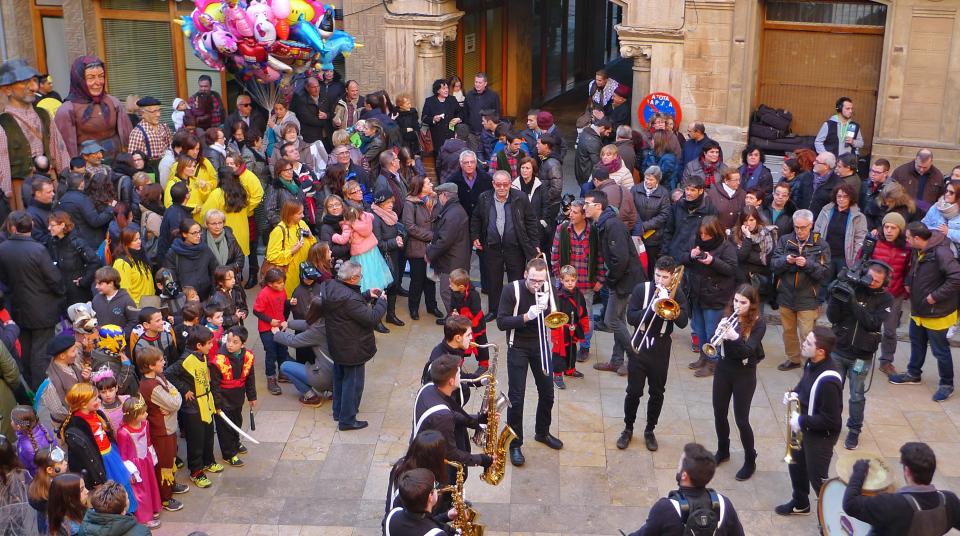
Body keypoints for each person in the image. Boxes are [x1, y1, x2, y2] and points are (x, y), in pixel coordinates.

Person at [496, 257, 563, 466]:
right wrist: (527, 316)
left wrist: (548, 309)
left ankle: (542, 432)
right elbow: (501, 322)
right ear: (526, 274)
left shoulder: (547, 289)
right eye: (533, 280)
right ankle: (515, 444)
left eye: (540, 281)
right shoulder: (511, 290)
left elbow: (556, 318)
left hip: (541, 345)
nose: (537, 285)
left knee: (548, 393)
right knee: (516, 397)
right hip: (518, 346)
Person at [619, 256, 688, 452]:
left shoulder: (677, 293)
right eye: (657, 275)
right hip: (640, 343)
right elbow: (631, 318)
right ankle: (628, 428)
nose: (660, 281)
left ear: (672, 277)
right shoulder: (642, 289)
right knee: (633, 391)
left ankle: (650, 430)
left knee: (657, 392)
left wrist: (670, 305)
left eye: (665, 277)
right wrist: (652, 306)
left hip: (661, 345)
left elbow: (683, 322)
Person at [775, 326, 843, 516]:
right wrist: (793, 394)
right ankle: (801, 503)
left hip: (820, 436)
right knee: (795, 465)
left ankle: (831, 519)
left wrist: (802, 420)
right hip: (804, 426)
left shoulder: (829, 381)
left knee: (817, 479)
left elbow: (831, 421)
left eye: (808, 343)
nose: (803, 344)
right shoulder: (811, 363)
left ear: (821, 351)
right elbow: (804, 386)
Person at [889, 222, 960, 401]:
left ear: (917, 238)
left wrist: (934, 297)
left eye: (908, 238)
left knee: (940, 350)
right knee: (917, 342)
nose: (906, 241)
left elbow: (956, 278)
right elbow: (915, 269)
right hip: (919, 309)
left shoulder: (941, 253)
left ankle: (946, 384)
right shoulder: (918, 250)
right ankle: (913, 373)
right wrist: (908, 281)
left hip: (936, 311)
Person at [826, 260, 892, 450]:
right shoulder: (852, 286)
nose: (871, 283)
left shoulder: (886, 299)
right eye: (869, 278)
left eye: (877, 281)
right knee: (832, 392)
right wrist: (836, 295)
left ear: (884, 282)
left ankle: (854, 431)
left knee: (856, 395)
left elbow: (871, 322)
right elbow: (833, 318)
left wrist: (853, 301)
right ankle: (830, 424)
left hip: (861, 357)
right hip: (839, 350)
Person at [317, 260, 387, 430]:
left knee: (340, 378)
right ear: (353, 278)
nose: (361, 278)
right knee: (353, 383)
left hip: (338, 343)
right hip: (353, 347)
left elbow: (347, 304)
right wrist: (382, 302)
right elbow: (371, 318)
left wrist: (366, 295)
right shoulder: (350, 299)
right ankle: (347, 419)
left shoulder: (330, 286)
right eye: (360, 276)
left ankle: (338, 412)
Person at [0, 211, 64, 388]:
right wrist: (60, 293)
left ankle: (29, 386)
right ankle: (40, 391)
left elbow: (4, 280)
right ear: (32, 226)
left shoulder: (3, 248)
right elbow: (54, 279)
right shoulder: (38, 250)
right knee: (41, 353)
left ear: (13, 228)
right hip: (42, 309)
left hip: (17, 308)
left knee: (26, 351)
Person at [585, 188, 646, 376]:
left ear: (598, 206)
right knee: (618, 320)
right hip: (621, 279)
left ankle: (635, 358)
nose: (584, 207)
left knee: (611, 320)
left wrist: (610, 281)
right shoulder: (603, 224)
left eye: (587, 204)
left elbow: (621, 259)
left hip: (625, 281)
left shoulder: (613, 225)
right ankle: (617, 361)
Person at [844, 441, 960, 535]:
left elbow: (850, 504)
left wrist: (858, 473)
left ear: (907, 471)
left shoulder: (892, 505)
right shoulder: (949, 501)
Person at [628, 442, 744, 535]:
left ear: (684, 475)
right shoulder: (725, 505)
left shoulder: (665, 508)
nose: (677, 467)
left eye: (679, 464)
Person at [0, 60, 70, 215]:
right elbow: (2, 169)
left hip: (49, 183)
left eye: (34, 80)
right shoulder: (3, 124)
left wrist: (67, 183)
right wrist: (6, 199)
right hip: (21, 192)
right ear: (7, 89)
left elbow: (60, 152)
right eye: (25, 82)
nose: (33, 87)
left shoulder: (44, 115)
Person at [58, 382, 138, 514]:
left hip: (111, 454)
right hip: (100, 464)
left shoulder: (97, 413)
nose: (99, 400)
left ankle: (129, 514)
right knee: (111, 495)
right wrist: (96, 479)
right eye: (95, 398)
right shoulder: (74, 429)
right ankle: (120, 517)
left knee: (124, 486)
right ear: (83, 404)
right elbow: (85, 458)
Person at [411, 354, 493, 476]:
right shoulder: (443, 416)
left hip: (420, 452)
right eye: (459, 374)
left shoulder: (429, 388)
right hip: (430, 468)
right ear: (451, 381)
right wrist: (482, 460)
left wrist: (479, 419)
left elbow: (452, 414)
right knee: (449, 490)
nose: (461, 376)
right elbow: (451, 454)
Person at [472, 170, 540, 314]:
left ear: (510, 184)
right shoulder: (484, 198)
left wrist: (535, 244)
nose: (502, 188)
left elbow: (531, 222)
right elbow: (476, 218)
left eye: (505, 184)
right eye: (498, 184)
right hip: (492, 248)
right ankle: (494, 311)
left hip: (514, 248)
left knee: (516, 282)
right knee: (493, 282)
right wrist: (475, 236)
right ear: (493, 184)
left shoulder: (520, 198)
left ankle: (515, 311)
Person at [771, 210, 831, 371]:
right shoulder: (785, 240)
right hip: (785, 294)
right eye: (797, 227)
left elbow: (825, 273)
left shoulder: (821, 244)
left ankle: (809, 365)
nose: (799, 231)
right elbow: (774, 265)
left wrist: (807, 265)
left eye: (803, 227)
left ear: (811, 225)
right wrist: (786, 260)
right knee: (788, 332)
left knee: (807, 334)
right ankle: (793, 358)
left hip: (808, 297)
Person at [681, 216, 739, 378]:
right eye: (701, 234)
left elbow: (732, 269)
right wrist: (691, 255)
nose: (703, 237)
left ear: (715, 233)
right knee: (699, 329)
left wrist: (713, 261)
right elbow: (682, 258)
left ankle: (713, 361)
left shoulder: (726, 246)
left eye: (707, 235)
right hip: (697, 293)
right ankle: (703, 357)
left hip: (716, 295)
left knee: (712, 331)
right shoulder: (696, 240)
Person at [165, 326, 222, 488]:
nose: (212, 346)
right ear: (198, 345)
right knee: (196, 440)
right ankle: (196, 471)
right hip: (192, 407)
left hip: (205, 402)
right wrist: (184, 389)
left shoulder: (201, 355)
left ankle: (208, 461)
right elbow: (169, 373)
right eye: (209, 343)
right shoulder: (186, 360)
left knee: (209, 434)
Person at [550, 200, 605, 363]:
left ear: (583, 215)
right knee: (565, 314)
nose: (570, 215)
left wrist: (600, 279)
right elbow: (554, 254)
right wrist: (557, 276)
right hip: (565, 282)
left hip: (586, 283)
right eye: (570, 212)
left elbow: (600, 256)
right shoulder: (562, 229)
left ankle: (585, 346)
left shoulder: (594, 231)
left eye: (575, 212)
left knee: (586, 316)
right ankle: (566, 344)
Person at [136, 346, 187, 512]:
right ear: (150, 366)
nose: (164, 362)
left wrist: (173, 402)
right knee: (164, 464)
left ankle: (170, 485)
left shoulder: (158, 376)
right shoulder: (150, 386)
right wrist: (173, 404)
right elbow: (176, 402)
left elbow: (174, 394)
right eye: (160, 360)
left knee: (170, 458)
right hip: (161, 430)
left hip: (169, 428)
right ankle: (165, 498)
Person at [54, 56, 132, 161]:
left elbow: (127, 138)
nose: (98, 82)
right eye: (91, 77)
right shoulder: (67, 110)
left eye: (101, 76)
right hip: (88, 168)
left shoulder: (113, 102)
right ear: (79, 80)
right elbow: (65, 150)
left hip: (118, 163)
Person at [209, 325, 256, 468]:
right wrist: (216, 405)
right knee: (224, 427)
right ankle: (229, 454)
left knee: (237, 420)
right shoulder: (218, 360)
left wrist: (251, 396)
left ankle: (235, 442)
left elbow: (250, 377)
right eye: (228, 340)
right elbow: (214, 386)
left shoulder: (247, 356)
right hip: (223, 398)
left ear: (243, 344)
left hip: (238, 396)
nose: (230, 344)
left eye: (235, 342)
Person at [814, 182, 869, 298]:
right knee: (823, 281)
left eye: (845, 197)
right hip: (826, 254)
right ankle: (818, 305)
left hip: (844, 257)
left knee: (840, 283)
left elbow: (860, 239)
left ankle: (834, 308)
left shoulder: (858, 217)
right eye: (839, 196)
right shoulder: (826, 211)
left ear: (851, 198)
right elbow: (817, 230)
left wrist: (854, 257)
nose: (841, 199)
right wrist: (816, 247)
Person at [115, 395, 162, 528]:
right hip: (135, 466)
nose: (146, 414)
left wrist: (152, 456)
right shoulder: (123, 433)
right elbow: (123, 456)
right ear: (134, 415)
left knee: (150, 485)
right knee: (140, 491)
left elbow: (148, 441)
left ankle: (153, 507)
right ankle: (144, 517)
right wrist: (130, 472)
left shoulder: (145, 424)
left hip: (146, 460)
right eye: (143, 413)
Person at [427, 183, 472, 317]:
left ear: (444, 195)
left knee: (447, 292)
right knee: (455, 293)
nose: (439, 198)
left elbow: (444, 241)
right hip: (456, 259)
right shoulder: (455, 209)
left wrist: (430, 253)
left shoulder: (452, 213)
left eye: (439, 195)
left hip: (452, 262)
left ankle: (455, 320)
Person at [403, 176, 443, 321]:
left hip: (432, 248)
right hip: (417, 248)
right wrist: (432, 236)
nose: (431, 184)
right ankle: (413, 308)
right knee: (417, 280)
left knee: (431, 279)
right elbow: (410, 227)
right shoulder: (409, 203)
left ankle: (432, 306)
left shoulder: (435, 200)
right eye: (428, 183)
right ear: (420, 187)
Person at [385, 430, 451, 515]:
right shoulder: (414, 482)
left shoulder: (402, 464)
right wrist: (446, 515)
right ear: (434, 458)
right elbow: (423, 520)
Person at [46, 211, 100, 308]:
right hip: (61, 292)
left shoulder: (77, 242)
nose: (49, 228)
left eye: (52, 225)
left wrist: (84, 281)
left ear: (62, 225)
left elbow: (95, 262)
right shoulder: (52, 242)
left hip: (78, 293)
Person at [265, 199, 317, 297]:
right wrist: (292, 251)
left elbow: (313, 245)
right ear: (290, 214)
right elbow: (271, 256)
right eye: (299, 213)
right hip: (289, 277)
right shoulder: (279, 231)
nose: (303, 216)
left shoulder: (302, 224)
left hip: (304, 273)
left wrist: (311, 237)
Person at [253, 269, 293, 396]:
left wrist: (289, 303)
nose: (282, 285)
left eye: (283, 282)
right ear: (270, 284)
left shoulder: (282, 291)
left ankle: (283, 372)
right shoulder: (264, 294)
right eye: (279, 283)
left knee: (283, 350)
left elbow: (282, 305)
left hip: (280, 326)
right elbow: (256, 311)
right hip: (266, 329)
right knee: (271, 353)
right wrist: (270, 321)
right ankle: (271, 377)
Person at [382, 468, 455, 536]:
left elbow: (418, 524)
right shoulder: (438, 534)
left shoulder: (392, 515)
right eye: (435, 486)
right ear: (430, 496)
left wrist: (446, 516)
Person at [631, 166, 672, 279]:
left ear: (657, 180)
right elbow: (632, 210)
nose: (648, 182)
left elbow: (664, 215)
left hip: (654, 236)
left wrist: (644, 226)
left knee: (650, 264)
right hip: (635, 233)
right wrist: (638, 227)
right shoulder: (635, 189)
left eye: (652, 179)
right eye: (646, 178)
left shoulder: (664, 193)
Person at [78, 480, 150, 536]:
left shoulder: (83, 528)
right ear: (123, 511)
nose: (128, 500)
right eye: (127, 498)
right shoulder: (142, 532)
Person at [201, 209, 245, 288]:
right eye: (213, 223)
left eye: (220, 223)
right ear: (206, 224)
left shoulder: (230, 237)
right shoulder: (201, 240)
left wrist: (227, 271)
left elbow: (240, 258)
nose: (217, 226)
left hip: (229, 280)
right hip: (209, 283)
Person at [421, 79, 462, 157]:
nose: (446, 90)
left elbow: (460, 112)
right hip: (436, 137)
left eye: (447, 88)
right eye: (443, 88)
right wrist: (433, 119)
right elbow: (424, 117)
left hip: (451, 134)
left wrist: (458, 119)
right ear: (437, 90)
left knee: (451, 159)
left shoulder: (452, 99)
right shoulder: (429, 101)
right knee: (439, 160)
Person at [90, 266, 138, 331]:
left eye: (100, 284)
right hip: (101, 340)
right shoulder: (96, 299)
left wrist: (123, 335)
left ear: (111, 283)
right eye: (96, 283)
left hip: (119, 340)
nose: (96, 286)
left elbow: (134, 321)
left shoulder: (126, 300)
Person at [575, 117, 613, 186]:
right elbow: (597, 163)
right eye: (608, 132)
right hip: (586, 176)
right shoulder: (593, 141)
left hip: (581, 172)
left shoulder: (587, 132)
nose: (608, 135)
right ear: (602, 128)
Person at [860, 157, 892, 231]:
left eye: (877, 172)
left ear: (885, 173)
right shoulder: (865, 184)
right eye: (872, 171)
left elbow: (888, 213)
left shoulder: (891, 189)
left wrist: (879, 229)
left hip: (879, 229)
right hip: (863, 225)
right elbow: (860, 205)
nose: (873, 174)